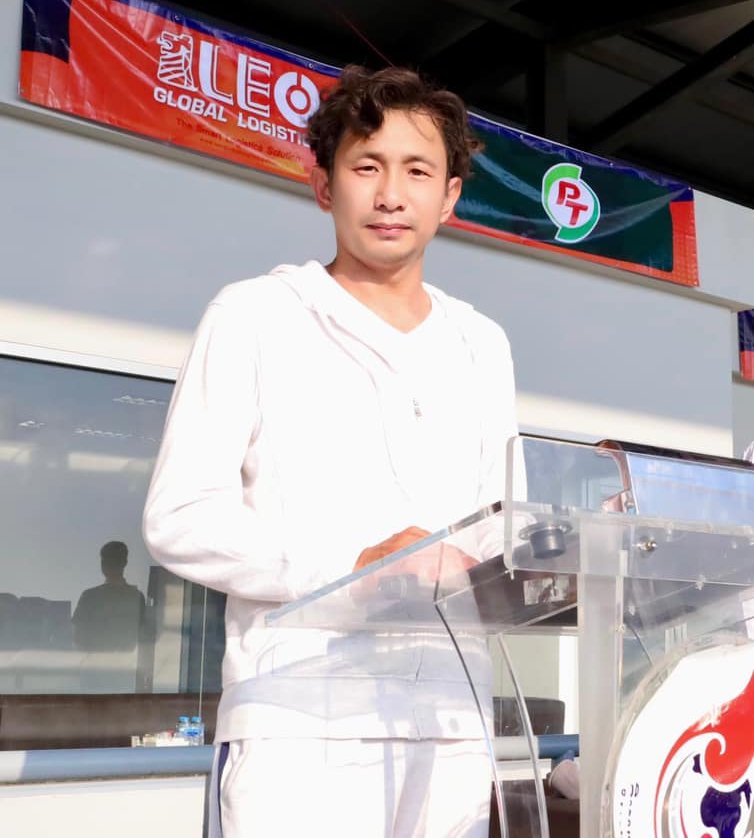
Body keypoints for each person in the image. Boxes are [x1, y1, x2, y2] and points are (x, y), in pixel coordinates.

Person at [143, 65, 521, 837]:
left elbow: (496, 523)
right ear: (324, 185)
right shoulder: (256, 315)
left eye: (418, 171)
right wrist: (352, 568)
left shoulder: (482, 344)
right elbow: (179, 517)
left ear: (450, 197)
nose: (391, 195)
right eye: (366, 167)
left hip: (449, 721)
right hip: (298, 725)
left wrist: (548, 550)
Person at [72, 540, 146, 652]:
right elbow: (77, 637)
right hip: (100, 661)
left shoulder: (90, 596)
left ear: (124, 562)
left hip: (121, 661)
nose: (106, 564)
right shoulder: (89, 596)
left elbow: (78, 638)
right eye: (105, 560)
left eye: (112, 560)